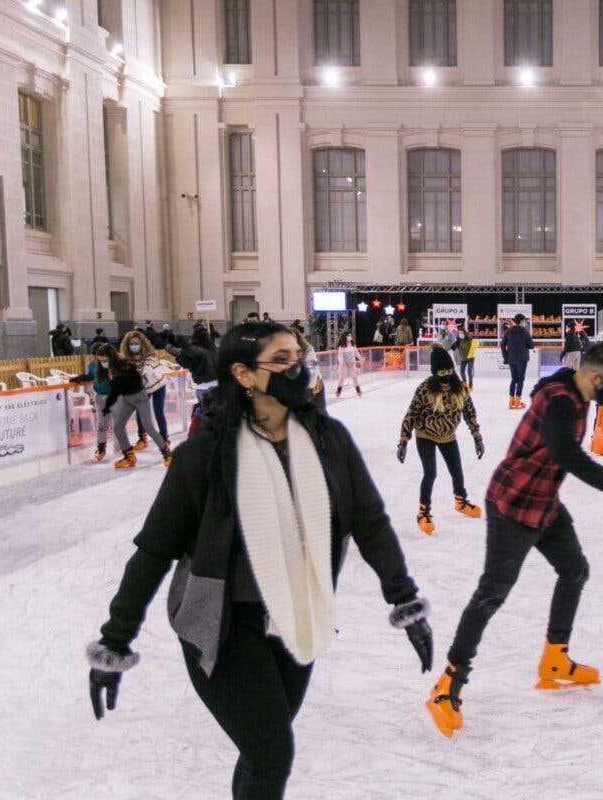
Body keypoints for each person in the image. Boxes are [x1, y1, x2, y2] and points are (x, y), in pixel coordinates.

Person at [86, 321, 431, 799]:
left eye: (299, 357)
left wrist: (405, 599)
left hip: (296, 619)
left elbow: (369, 522)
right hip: (223, 625)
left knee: (263, 752)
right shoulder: (206, 454)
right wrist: (114, 641)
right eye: (282, 360)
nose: (299, 369)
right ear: (244, 375)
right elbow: (155, 550)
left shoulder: (329, 441)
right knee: (272, 753)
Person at [425, 342, 603, 738]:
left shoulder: (577, 393)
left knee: (574, 570)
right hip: (513, 504)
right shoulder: (560, 401)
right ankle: (447, 686)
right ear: (595, 377)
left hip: (544, 502)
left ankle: (555, 658)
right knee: (492, 593)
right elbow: (566, 455)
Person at [398, 347, 485, 535]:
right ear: (435, 372)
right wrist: (403, 440)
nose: (446, 375)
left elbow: (469, 412)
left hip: (448, 436)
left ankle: (460, 501)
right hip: (425, 435)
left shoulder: (460, 388)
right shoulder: (425, 389)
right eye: (441, 371)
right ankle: (423, 512)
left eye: (448, 370)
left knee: (457, 471)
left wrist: (477, 436)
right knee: (430, 473)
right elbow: (411, 414)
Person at [103, 346, 171, 469]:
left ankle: (167, 453)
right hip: (127, 399)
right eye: (100, 360)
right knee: (118, 427)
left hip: (140, 397)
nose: (102, 362)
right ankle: (129, 455)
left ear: (110, 357)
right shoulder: (111, 369)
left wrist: (109, 402)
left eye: (103, 359)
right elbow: (115, 388)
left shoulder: (124, 365)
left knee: (148, 427)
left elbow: (128, 383)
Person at [120, 330, 171, 452]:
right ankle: (142, 438)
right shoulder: (128, 359)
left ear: (142, 343)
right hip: (143, 388)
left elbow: (147, 372)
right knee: (140, 411)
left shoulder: (150, 355)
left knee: (158, 411)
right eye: (131, 344)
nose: (134, 346)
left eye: (136, 343)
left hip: (157, 385)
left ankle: (164, 437)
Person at [72, 344, 116, 462]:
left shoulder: (112, 365)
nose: (94, 358)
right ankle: (101, 448)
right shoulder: (92, 365)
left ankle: (123, 447)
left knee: (117, 423)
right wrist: (80, 378)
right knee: (101, 424)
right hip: (100, 397)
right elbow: (90, 376)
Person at [167, 326, 218, 405]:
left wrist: (170, 348)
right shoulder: (213, 350)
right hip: (217, 385)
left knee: (205, 412)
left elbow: (185, 362)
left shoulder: (194, 350)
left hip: (202, 386)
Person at [500, 313, 534, 410]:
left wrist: (506, 357)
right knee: (520, 380)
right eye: (524, 321)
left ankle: (511, 402)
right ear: (522, 321)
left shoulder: (509, 331)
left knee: (514, 379)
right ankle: (518, 401)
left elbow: (502, 345)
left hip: (511, 359)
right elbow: (531, 345)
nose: (525, 322)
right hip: (522, 359)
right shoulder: (524, 331)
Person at [292, 328, 326, 413]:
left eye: (293, 337)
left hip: (314, 388)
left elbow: (313, 371)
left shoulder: (308, 349)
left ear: (298, 338)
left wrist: (309, 389)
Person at [335, 331, 362, 398]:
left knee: (354, 377)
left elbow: (356, 353)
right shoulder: (342, 346)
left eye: (350, 335)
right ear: (345, 337)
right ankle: (338, 392)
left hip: (352, 363)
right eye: (348, 335)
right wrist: (341, 363)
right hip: (344, 364)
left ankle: (358, 391)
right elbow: (340, 356)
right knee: (342, 378)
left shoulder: (352, 344)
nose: (350, 337)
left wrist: (360, 358)